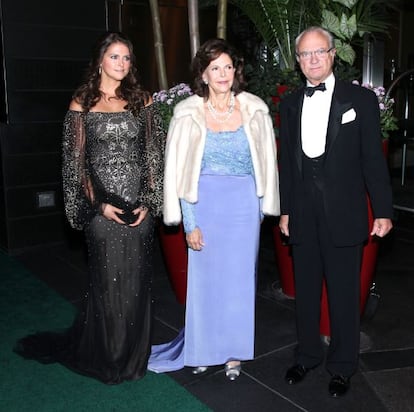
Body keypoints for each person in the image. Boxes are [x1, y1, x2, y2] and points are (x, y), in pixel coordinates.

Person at [14, 32, 164, 384]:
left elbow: (155, 157)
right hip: (102, 211)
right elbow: (75, 164)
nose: (122, 64)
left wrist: (149, 202)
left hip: (138, 208)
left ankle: (133, 358)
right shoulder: (81, 103)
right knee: (109, 286)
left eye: (127, 58)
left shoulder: (143, 100)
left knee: (137, 284)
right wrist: (97, 205)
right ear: (100, 60)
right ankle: (110, 357)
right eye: (115, 57)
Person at [148, 38, 279, 380]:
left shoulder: (255, 110)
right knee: (205, 282)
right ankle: (203, 349)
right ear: (203, 75)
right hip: (203, 204)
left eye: (228, 67)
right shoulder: (188, 113)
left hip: (243, 206)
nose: (222, 74)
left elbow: (266, 164)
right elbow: (178, 172)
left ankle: (234, 353)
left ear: (236, 72)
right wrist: (189, 221)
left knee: (239, 281)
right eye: (215, 68)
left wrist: (262, 207)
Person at [278, 26, 393, 397]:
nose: (312, 60)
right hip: (303, 213)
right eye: (305, 55)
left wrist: (384, 209)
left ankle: (343, 365)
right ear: (298, 62)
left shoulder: (360, 100)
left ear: (332, 54)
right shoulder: (291, 102)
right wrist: (285, 211)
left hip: (344, 213)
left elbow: (373, 160)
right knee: (306, 293)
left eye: (319, 52)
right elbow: (287, 163)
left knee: (344, 295)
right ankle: (307, 354)